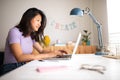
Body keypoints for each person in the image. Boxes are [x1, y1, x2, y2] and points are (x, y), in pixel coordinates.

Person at [0, 7, 66, 76]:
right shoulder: (14, 32)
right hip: (10, 68)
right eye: (38, 20)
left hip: (23, 66)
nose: (40, 24)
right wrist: (49, 55)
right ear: (29, 19)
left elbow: (42, 51)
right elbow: (20, 57)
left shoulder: (31, 35)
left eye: (40, 22)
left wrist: (56, 53)